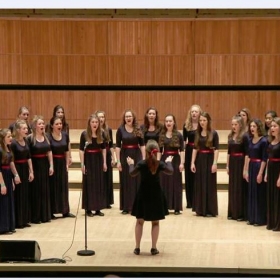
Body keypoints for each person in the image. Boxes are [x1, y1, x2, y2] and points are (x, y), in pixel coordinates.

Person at [127, 139, 174, 256]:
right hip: (156, 195)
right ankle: (153, 248)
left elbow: (132, 173)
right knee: (155, 223)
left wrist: (131, 164)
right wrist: (168, 162)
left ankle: (137, 248)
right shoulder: (159, 164)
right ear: (156, 151)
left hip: (143, 195)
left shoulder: (142, 163)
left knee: (139, 222)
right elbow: (171, 171)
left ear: (146, 151)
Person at [115, 109, 145, 214]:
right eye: (126, 116)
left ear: (133, 118)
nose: (128, 118)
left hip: (136, 156)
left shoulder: (138, 129)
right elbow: (118, 146)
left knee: (137, 181)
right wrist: (118, 161)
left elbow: (142, 145)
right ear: (124, 118)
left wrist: (143, 159)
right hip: (124, 156)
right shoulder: (120, 130)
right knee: (125, 181)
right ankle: (126, 206)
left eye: (130, 116)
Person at [191, 112, 219, 217]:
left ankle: (210, 209)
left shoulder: (214, 133)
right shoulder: (197, 133)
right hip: (200, 160)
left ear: (208, 121)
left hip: (210, 159)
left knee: (210, 183)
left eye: (204, 120)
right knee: (200, 183)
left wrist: (215, 163)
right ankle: (200, 209)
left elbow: (216, 150)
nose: (202, 122)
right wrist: (192, 163)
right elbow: (195, 148)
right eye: (201, 120)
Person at [27, 115, 53, 224]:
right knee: (36, 191)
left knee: (44, 190)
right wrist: (30, 170)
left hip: (44, 165)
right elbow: (28, 155)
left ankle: (45, 215)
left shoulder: (46, 136)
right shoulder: (30, 138)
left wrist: (51, 165)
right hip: (35, 165)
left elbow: (49, 152)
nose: (42, 125)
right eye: (40, 124)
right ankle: (36, 216)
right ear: (35, 126)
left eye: (43, 123)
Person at [79, 114, 107, 217]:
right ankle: (88, 208)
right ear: (89, 123)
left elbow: (103, 149)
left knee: (98, 183)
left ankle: (98, 208)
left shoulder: (102, 134)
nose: (95, 124)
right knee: (89, 184)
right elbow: (81, 150)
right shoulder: (84, 134)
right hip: (88, 160)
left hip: (98, 160)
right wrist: (82, 164)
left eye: (96, 122)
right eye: (93, 122)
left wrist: (104, 162)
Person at [48, 116, 75, 219]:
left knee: (63, 186)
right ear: (52, 126)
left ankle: (65, 210)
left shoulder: (65, 135)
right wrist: (51, 165)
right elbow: (48, 152)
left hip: (62, 162)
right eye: (57, 124)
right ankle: (52, 211)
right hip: (53, 163)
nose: (59, 125)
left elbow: (66, 150)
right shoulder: (49, 136)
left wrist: (67, 163)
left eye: (60, 124)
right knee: (53, 186)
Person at [159, 114, 184, 215]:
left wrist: (182, 163)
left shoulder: (178, 135)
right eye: (166, 121)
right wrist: (158, 163)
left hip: (176, 160)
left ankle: (176, 207)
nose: (168, 123)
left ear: (174, 122)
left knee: (176, 183)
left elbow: (181, 150)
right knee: (164, 183)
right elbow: (160, 151)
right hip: (165, 160)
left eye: (170, 121)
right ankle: (165, 206)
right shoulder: (161, 135)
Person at [10, 120, 34, 229]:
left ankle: (24, 219)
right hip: (18, 169)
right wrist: (15, 175)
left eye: (27, 128)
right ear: (18, 130)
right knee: (18, 195)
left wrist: (31, 171)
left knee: (25, 195)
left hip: (25, 169)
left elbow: (29, 157)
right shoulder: (13, 143)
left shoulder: (26, 141)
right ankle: (18, 221)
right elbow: (11, 160)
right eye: (24, 129)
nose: (26, 130)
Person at [245, 119, 267, 226]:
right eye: (251, 126)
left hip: (259, 167)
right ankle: (252, 217)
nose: (252, 128)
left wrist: (260, 173)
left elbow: (264, 158)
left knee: (259, 193)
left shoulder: (263, 141)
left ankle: (260, 219)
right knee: (252, 192)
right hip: (251, 166)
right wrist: (246, 170)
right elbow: (248, 156)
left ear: (258, 127)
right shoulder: (250, 140)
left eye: (254, 126)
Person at [227, 115, 249, 221]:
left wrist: (245, 169)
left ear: (240, 125)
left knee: (240, 187)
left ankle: (240, 214)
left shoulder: (244, 136)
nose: (233, 126)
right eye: (232, 124)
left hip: (240, 162)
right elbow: (228, 152)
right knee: (232, 187)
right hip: (232, 162)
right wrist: (227, 165)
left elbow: (247, 154)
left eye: (235, 124)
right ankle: (232, 212)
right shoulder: (230, 136)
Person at [0, 128, 20, 234]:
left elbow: (11, 163)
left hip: (8, 176)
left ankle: (9, 226)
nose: (11, 138)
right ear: (3, 139)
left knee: (8, 201)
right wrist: (2, 184)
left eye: (11, 136)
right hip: (2, 177)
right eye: (8, 137)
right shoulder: (0, 150)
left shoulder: (9, 148)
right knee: (3, 202)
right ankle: (2, 227)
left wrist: (15, 176)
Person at [182, 104, 202, 209]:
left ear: (200, 113)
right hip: (189, 151)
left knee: (198, 176)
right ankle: (190, 201)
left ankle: (197, 200)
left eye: (196, 111)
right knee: (189, 176)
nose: (194, 113)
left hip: (200, 151)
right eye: (192, 111)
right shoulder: (186, 125)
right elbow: (184, 142)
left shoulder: (202, 124)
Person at [95, 110, 115, 209]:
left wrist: (113, 157)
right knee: (100, 178)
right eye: (99, 117)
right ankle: (100, 200)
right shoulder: (94, 130)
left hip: (107, 154)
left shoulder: (109, 129)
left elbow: (110, 145)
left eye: (102, 117)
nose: (101, 119)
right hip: (98, 156)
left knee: (107, 178)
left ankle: (107, 201)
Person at [264, 117, 280, 231]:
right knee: (271, 196)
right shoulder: (270, 141)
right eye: (271, 126)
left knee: (278, 197)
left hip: (278, 171)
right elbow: (268, 159)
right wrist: (265, 173)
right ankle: (272, 222)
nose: (272, 128)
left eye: (275, 126)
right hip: (271, 170)